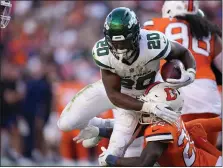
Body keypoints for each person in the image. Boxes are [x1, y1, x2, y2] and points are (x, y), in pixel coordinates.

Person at [57, 7, 196, 165]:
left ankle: (102, 129)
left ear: (136, 35)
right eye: (115, 42)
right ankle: (101, 126)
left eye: (124, 41)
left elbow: (183, 52)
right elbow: (114, 95)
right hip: (114, 92)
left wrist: (191, 72)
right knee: (66, 123)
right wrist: (149, 107)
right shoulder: (103, 53)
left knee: (111, 158)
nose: (120, 48)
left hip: (144, 95)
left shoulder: (153, 43)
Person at [143, 0, 222, 146]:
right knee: (206, 156)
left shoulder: (153, 25)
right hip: (207, 97)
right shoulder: (208, 30)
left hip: (172, 95)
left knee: (167, 155)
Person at [87, 82, 222, 167]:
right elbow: (131, 131)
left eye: (149, 101)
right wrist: (100, 131)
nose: (145, 105)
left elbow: (144, 163)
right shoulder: (170, 119)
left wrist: (111, 160)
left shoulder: (161, 127)